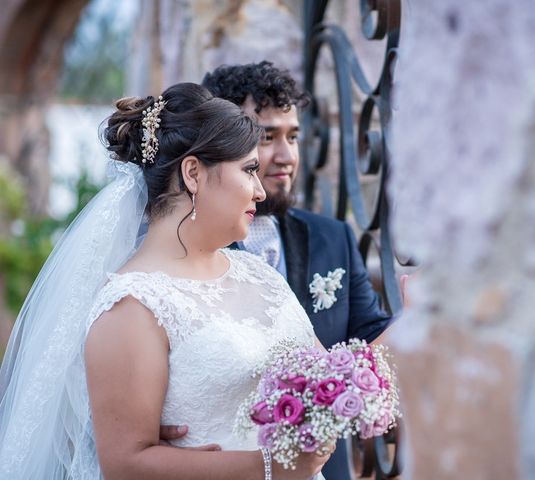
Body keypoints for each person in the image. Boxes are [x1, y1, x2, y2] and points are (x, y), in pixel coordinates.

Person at [0, 82, 330, 479]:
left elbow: (331, 377)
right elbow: (124, 464)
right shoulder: (132, 305)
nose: (260, 190)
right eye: (248, 170)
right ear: (193, 173)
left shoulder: (260, 275)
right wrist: (268, 468)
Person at [198, 61, 395, 480]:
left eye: (293, 136)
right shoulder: (190, 247)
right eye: (266, 137)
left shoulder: (334, 238)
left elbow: (373, 342)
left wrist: (422, 312)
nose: (286, 156)